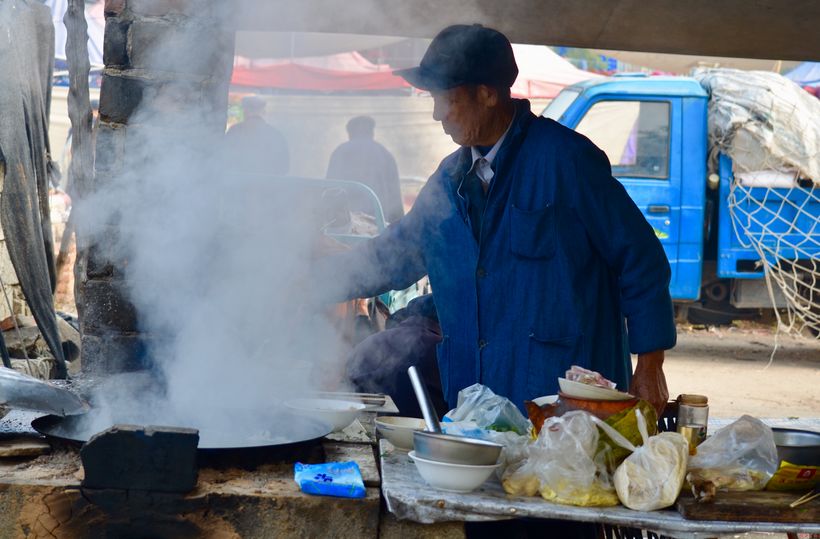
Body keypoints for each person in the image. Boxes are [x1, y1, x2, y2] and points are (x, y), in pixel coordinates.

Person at [320, 24, 676, 419]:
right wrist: (303, 281)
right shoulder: (448, 181)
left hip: (565, 409)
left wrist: (649, 365)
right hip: (476, 409)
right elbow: (390, 256)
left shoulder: (566, 162)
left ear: (487, 94)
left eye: (446, 98)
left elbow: (640, 259)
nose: (437, 113)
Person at [326, 116, 404, 223]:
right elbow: (395, 197)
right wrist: (398, 226)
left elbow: (329, 190)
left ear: (350, 133)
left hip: (346, 222)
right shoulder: (385, 154)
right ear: (371, 132)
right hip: (379, 222)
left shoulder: (340, 152)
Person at [224, 95, 289, 176]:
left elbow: (223, 160)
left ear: (245, 111)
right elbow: (283, 167)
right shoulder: (275, 134)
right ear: (264, 112)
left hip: (238, 184)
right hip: (266, 185)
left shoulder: (235, 131)